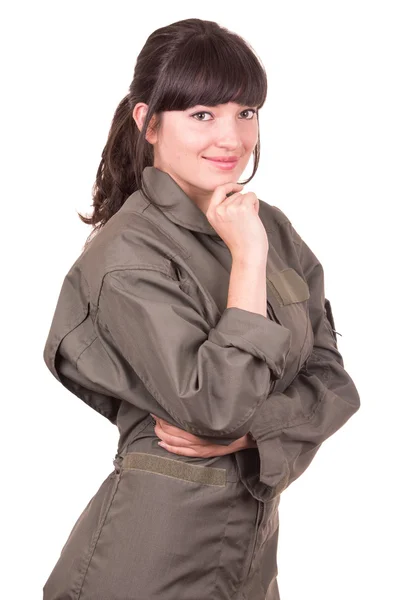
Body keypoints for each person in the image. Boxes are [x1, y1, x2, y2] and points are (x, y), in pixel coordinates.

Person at [42, 17, 360, 600]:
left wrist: (253, 436)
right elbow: (216, 409)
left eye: (246, 112)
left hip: (247, 565)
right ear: (149, 122)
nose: (231, 138)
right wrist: (246, 263)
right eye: (202, 115)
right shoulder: (128, 256)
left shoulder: (269, 229)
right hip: (149, 564)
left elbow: (335, 383)